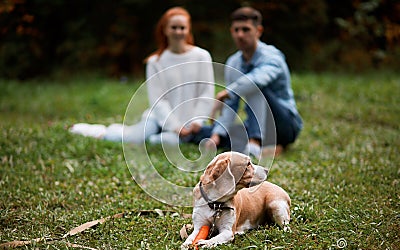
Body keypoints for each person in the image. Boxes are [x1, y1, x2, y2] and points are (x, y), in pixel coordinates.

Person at [70, 7, 215, 145]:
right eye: (173, 27)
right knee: (135, 138)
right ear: (165, 30)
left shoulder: (202, 56)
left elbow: (206, 92)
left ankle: (155, 138)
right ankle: (91, 130)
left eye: (182, 28)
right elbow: (158, 100)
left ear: (188, 29)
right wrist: (174, 126)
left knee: (166, 142)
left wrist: (197, 121)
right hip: (157, 118)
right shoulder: (155, 62)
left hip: (190, 125)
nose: (178, 32)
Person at [206, 6, 302, 157]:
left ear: (258, 31)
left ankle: (255, 141)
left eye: (246, 29)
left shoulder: (272, 56)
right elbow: (231, 103)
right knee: (218, 134)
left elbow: (257, 80)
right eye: (236, 30)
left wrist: (227, 91)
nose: (240, 35)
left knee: (253, 84)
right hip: (256, 122)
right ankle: (269, 148)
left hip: (284, 125)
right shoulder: (233, 62)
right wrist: (216, 134)